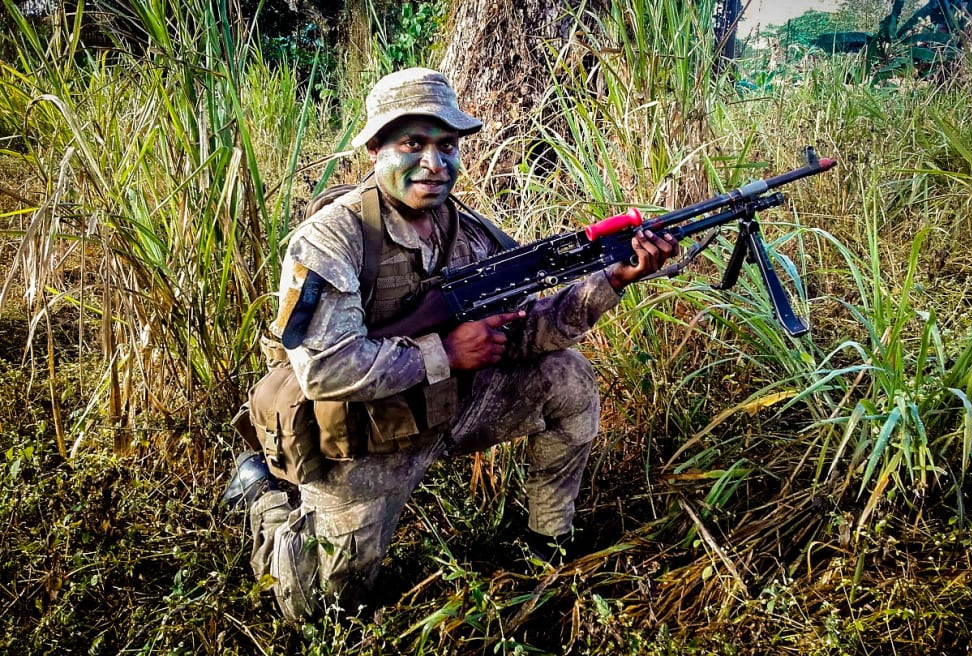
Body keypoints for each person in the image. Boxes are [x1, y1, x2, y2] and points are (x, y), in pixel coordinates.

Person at [233, 67, 678, 621]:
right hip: (365, 436)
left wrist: (612, 279)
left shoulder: (472, 234)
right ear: (375, 148)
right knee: (321, 610)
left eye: (447, 145)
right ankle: (265, 497)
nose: (434, 163)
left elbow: (530, 329)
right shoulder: (331, 237)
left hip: (452, 408)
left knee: (566, 377)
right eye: (412, 143)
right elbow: (324, 369)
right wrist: (446, 351)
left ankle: (548, 545)